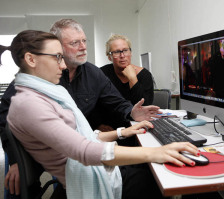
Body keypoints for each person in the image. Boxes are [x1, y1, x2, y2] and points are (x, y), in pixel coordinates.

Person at [0, 30, 200, 198]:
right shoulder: (30, 101)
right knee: (161, 174)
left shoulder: (55, 88)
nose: (83, 47)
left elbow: (84, 133)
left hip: (83, 159)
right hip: (82, 172)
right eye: (57, 56)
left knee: (156, 167)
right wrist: (156, 153)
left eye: (84, 41)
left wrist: (123, 131)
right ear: (31, 59)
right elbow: (83, 149)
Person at [94, 34, 154, 131]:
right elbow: (94, 105)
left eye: (125, 50)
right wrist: (98, 125)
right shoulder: (101, 74)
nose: (122, 55)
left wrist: (132, 78)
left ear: (130, 52)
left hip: (137, 126)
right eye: (117, 52)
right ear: (109, 57)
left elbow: (143, 109)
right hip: (110, 128)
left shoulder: (144, 75)